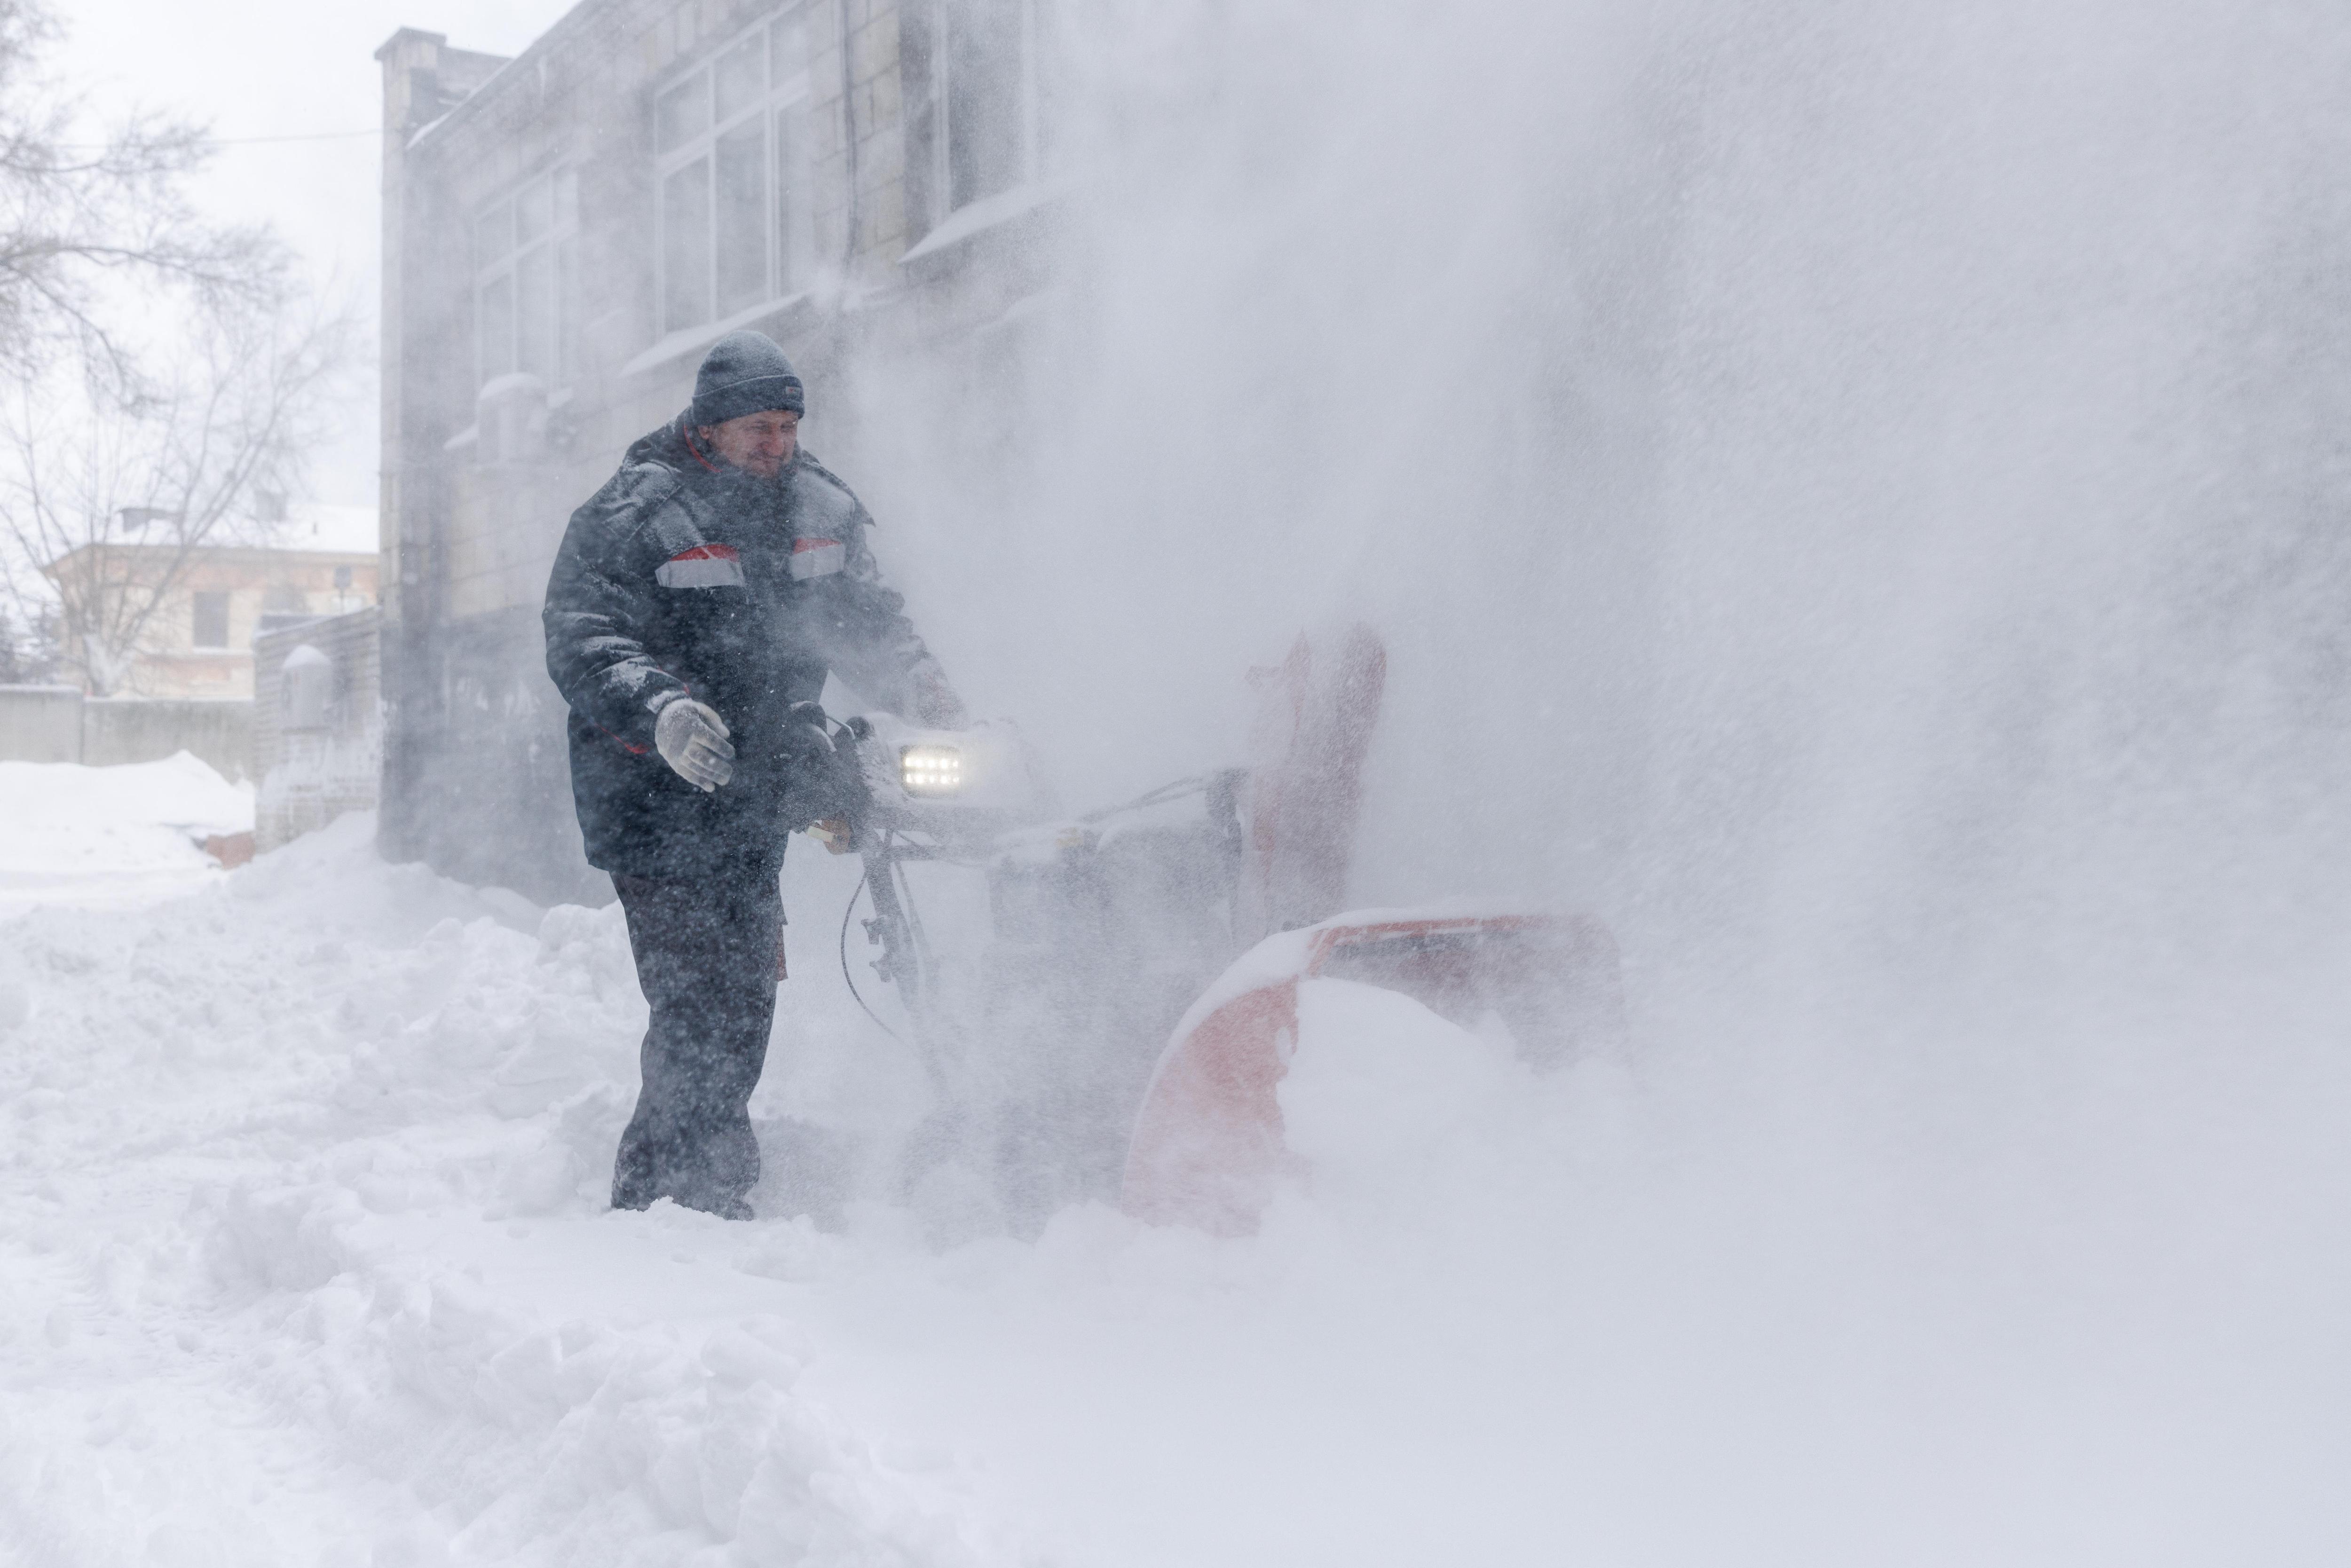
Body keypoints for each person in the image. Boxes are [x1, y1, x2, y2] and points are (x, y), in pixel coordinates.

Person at [542, 330, 964, 1219]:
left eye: (788, 426)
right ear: (710, 423)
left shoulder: (819, 507)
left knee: (739, 994)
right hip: (653, 798)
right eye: (758, 429)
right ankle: (680, 1194)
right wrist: (661, 710)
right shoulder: (636, 513)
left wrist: (925, 689)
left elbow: (869, 620)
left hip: (753, 790)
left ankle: (689, 1185)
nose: (777, 445)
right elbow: (586, 637)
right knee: (703, 996)